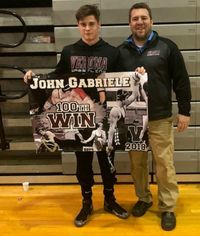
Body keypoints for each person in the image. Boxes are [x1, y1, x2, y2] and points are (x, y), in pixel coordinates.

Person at [23, 4, 129, 227]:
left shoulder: (112, 52)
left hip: (103, 117)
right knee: (83, 163)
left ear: (99, 25)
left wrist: (138, 76)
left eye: (91, 24)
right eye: (83, 25)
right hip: (78, 116)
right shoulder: (69, 51)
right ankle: (87, 202)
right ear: (78, 26)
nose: (88, 29)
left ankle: (110, 199)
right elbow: (55, 77)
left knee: (107, 161)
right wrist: (35, 77)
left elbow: (123, 81)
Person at [117, 2, 191, 231]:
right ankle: (143, 198)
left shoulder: (168, 47)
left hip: (160, 117)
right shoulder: (121, 52)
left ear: (152, 21)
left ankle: (167, 207)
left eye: (143, 18)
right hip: (133, 119)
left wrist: (185, 111)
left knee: (164, 164)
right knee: (137, 163)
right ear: (129, 23)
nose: (139, 22)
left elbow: (181, 80)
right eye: (135, 18)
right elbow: (114, 84)